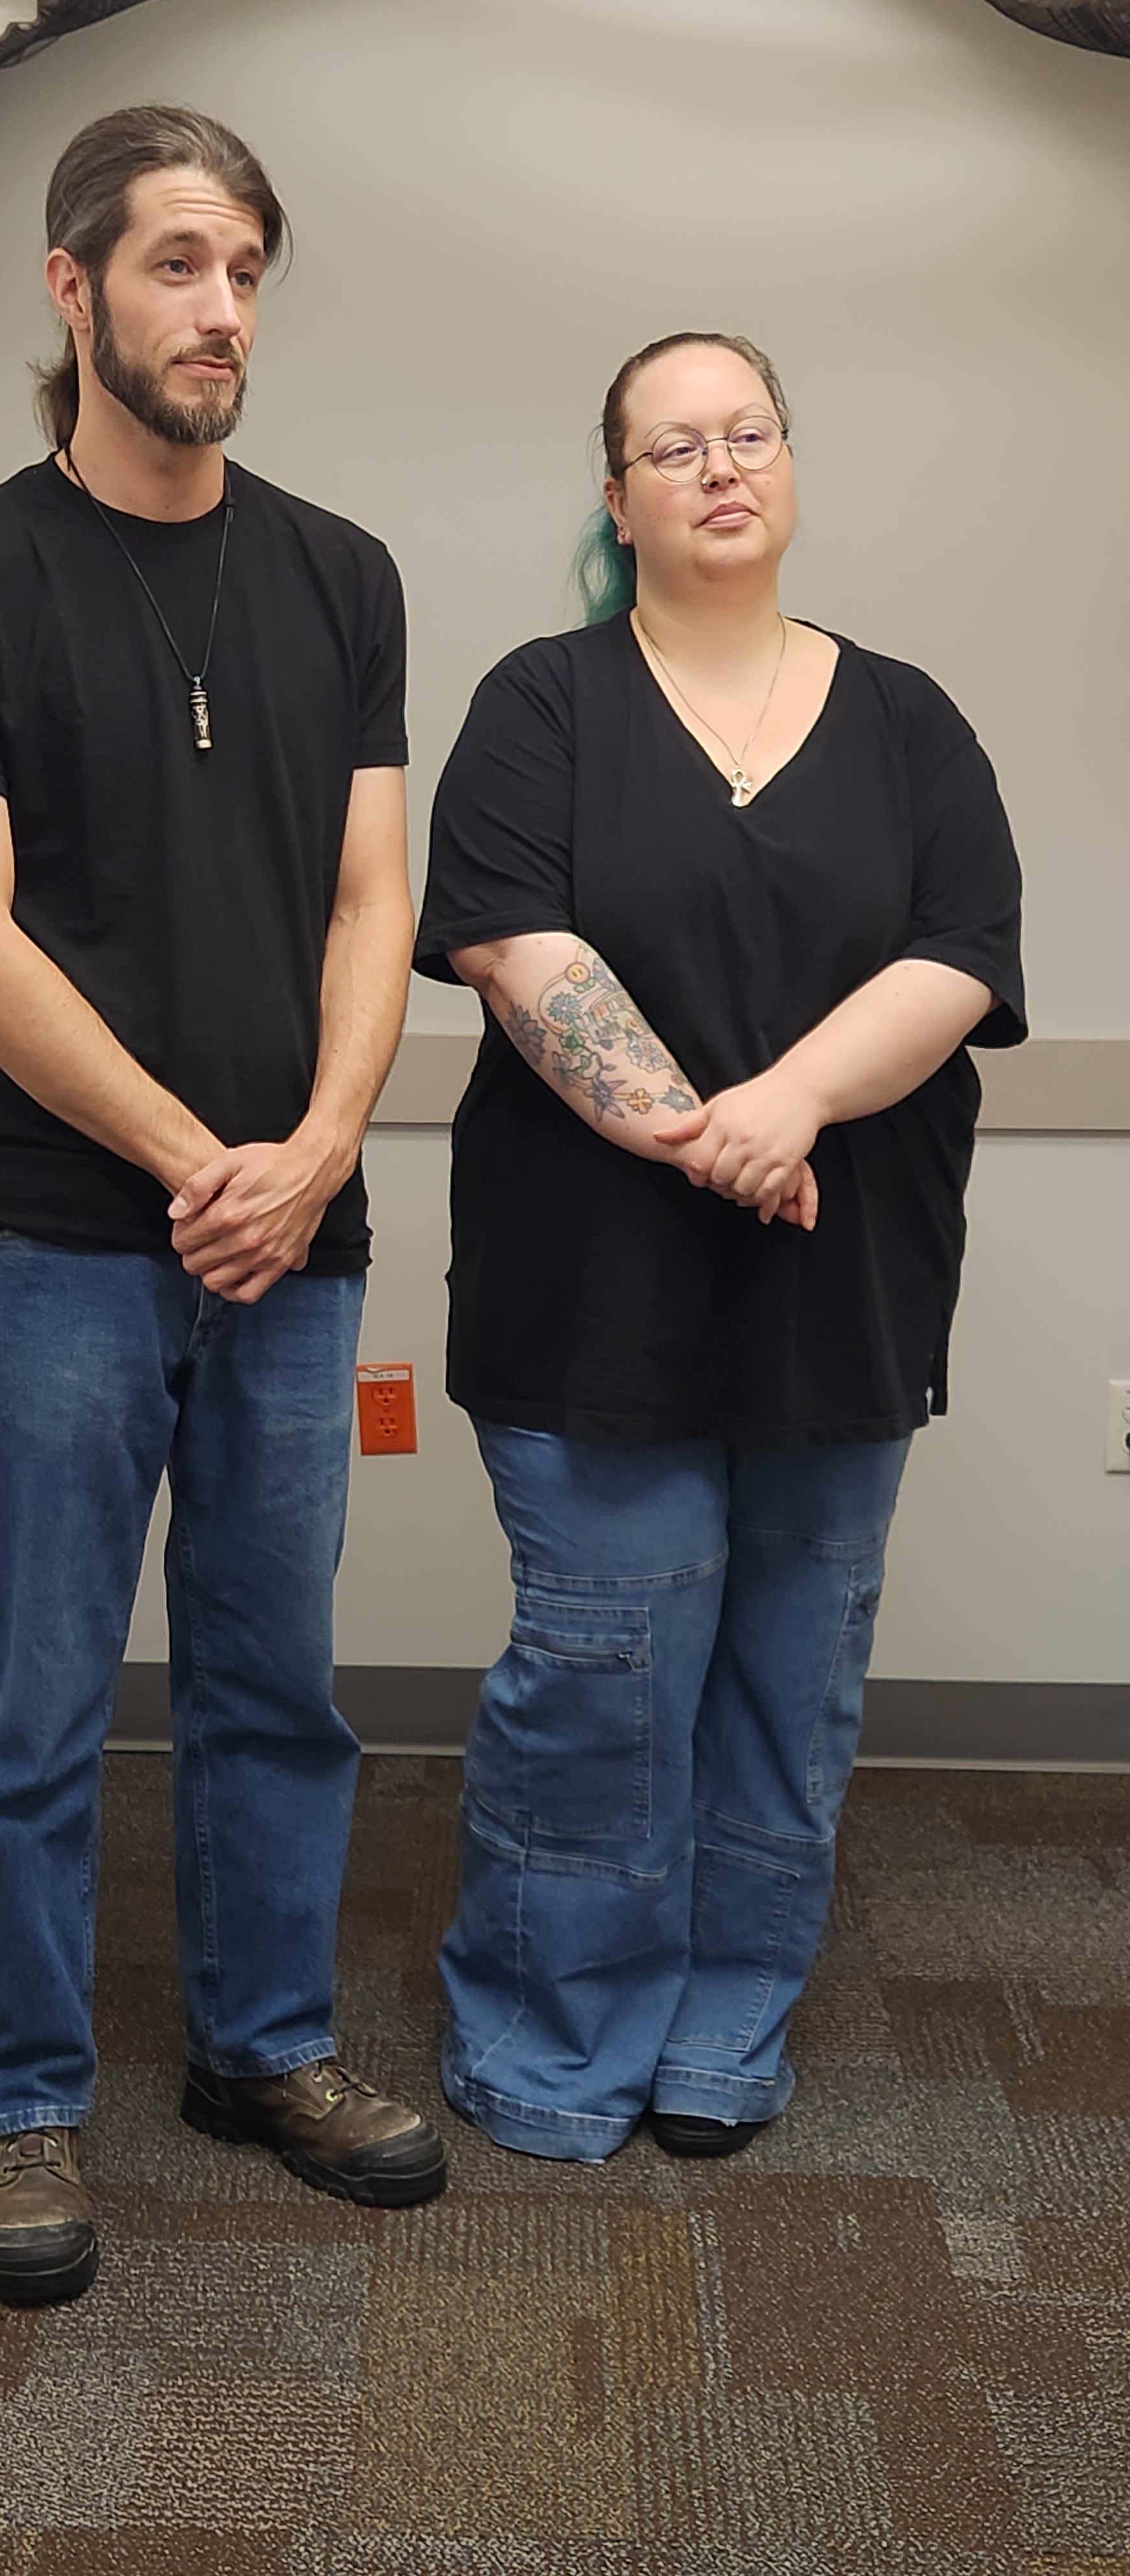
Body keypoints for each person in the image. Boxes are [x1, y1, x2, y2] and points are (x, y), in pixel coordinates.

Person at [0, 103, 446, 2305]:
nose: (220, 311)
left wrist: (319, 1149)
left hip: (298, 1245)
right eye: (179, 264)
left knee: (279, 1684)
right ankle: (25, 2103)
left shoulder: (343, 574)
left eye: (246, 272)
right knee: (38, 1710)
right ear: (72, 285)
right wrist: (207, 1163)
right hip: (57, 1248)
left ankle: (263, 2050)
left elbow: (373, 901)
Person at [413, 331, 1025, 2166]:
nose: (719, 466)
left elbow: (960, 957)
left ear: (790, 466)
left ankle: (723, 2031)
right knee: (603, 1678)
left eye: (747, 432)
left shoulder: (909, 720)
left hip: (847, 1286)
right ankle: (553, 2048)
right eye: (671, 446)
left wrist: (790, 1107)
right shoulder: (542, 704)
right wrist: (709, 1138)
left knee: (788, 1677)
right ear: (618, 499)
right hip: (589, 1287)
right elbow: (516, 948)